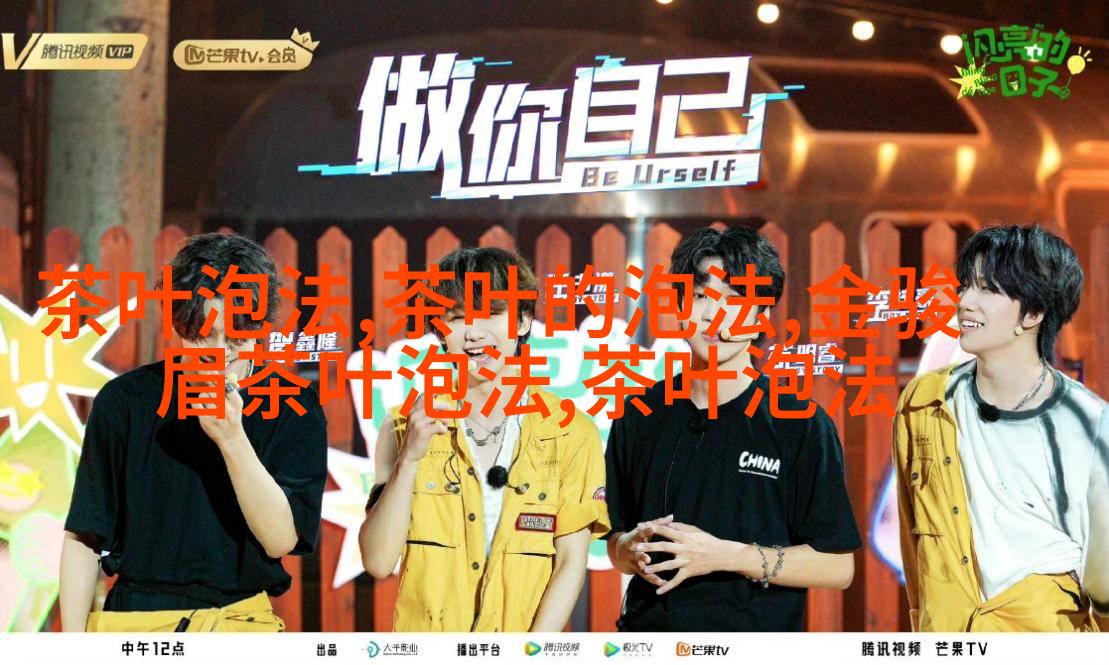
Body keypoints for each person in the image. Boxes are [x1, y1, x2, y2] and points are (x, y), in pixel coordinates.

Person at [60, 233, 328, 632]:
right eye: (203, 335)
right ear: (179, 324)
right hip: (137, 623)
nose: (221, 353)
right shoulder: (125, 401)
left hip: (237, 623)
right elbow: (84, 536)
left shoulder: (293, 404)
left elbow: (280, 540)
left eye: (237, 336)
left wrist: (232, 440)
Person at [605, 225, 860, 631]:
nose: (713, 315)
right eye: (701, 296)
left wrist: (725, 556)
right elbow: (615, 542)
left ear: (762, 317)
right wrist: (628, 549)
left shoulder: (800, 423)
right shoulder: (638, 414)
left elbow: (837, 566)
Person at [358, 247, 609, 631]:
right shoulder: (402, 426)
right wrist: (409, 459)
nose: (473, 333)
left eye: (490, 313)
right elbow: (378, 561)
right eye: (457, 317)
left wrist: (530, 653)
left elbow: (570, 562)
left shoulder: (571, 432)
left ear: (523, 320)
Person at [894, 223, 1108, 632]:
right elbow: (912, 542)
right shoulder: (923, 402)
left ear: (1033, 314)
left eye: (987, 290)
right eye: (965, 287)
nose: (965, 303)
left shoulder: (1089, 422)